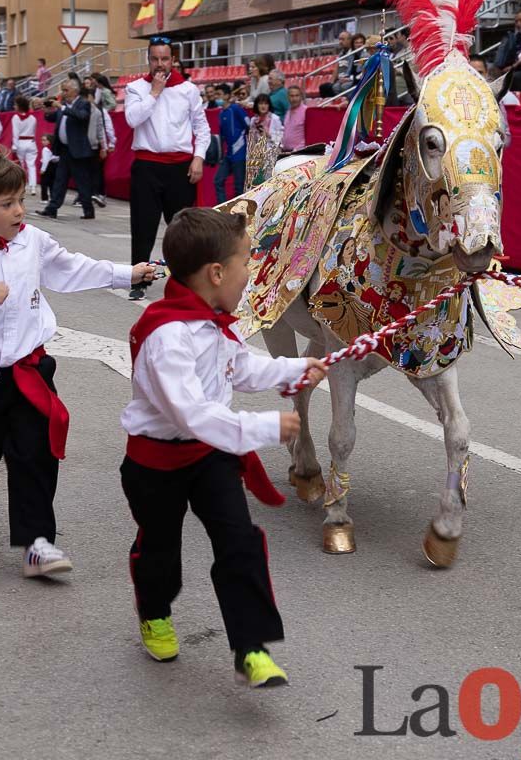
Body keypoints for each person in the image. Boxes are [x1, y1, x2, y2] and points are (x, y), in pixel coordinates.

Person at [119, 207, 326, 684]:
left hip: (209, 457)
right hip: (156, 462)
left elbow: (244, 369)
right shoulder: (167, 337)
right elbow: (192, 414)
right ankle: (154, 611)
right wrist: (265, 428)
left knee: (239, 542)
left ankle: (250, 647)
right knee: (160, 551)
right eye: (246, 263)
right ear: (216, 273)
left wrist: (296, 370)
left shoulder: (215, 323)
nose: (250, 273)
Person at [0, 146, 154, 577]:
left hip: (31, 368)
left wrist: (128, 273)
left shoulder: (32, 240)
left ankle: (37, 544)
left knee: (35, 453)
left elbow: (72, 268)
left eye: (20, 200)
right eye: (7, 203)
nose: (19, 211)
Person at [124, 36, 211, 300]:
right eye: (154, 59)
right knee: (142, 227)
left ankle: (185, 281)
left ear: (173, 60)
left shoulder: (188, 90)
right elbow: (132, 119)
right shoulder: (136, 88)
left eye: (164, 59)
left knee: (182, 229)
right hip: (147, 165)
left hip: (179, 167)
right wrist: (154, 93)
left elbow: (202, 128)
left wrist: (199, 157)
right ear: (148, 60)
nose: (160, 64)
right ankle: (139, 280)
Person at [37, 80, 96, 220]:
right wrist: (46, 111)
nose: (63, 93)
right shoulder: (63, 107)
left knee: (82, 181)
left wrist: (62, 107)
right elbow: (53, 118)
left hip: (77, 149)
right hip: (63, 149)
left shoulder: (83, 103)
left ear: (75, 91)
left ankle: (88, 209)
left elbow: (82, 116)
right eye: (63, 90)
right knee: (60, 180)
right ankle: (52, 208)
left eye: (66, 90)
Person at [215, 90, 250, 204]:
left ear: (226, 95)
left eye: (219, 94)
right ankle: (223, 210)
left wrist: (242, 143)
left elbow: (248, 123)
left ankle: (240, 214)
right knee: (218, 181)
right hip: (228, 154)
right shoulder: (221, 113)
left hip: (239, 153)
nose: (217, 98)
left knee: (239, 187)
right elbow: (222, 135)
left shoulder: (235, 109)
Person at [246, 93, 283, 187]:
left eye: (266, 103)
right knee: (256, 185)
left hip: (271, 156)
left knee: (270, 183)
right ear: (256, 105)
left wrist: (268, 135)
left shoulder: (275, 119)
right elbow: (251, 140)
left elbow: (281, 139)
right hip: (256, 157)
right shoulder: (253, 120)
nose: (263, 106)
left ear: (269, 105)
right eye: (261, 103)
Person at [10, 96, 38, 196]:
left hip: (20, 142)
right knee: (31, 165)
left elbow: (15, 133)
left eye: (15, 104)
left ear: (19, 106)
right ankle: (33, 187)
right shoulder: (32, 117)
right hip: (31, 142)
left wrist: (14, 146)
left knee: (20, 165)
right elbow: (34, 131)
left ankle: (22, 186)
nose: (14, 106)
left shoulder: (16, 117)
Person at [279, 84, 307, 152]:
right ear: (288, 97)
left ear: (301, 96)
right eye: (291, 96)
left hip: (299, 152)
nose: (294, 99)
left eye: (297, 95)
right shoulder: (288, 111)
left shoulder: (306, 111)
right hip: (286, 151)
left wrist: (296, 150)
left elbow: (308, 135)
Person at [39, 134, 57, 203]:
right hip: (54, 166)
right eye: (42, 140)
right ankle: (53, 197)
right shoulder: (54, 148)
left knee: (44, 184)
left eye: (44, 140)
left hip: (47, 167)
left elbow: (45, 161)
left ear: (49, 141)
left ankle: (44, 198)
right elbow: (57, 158)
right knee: (52, 183)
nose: (42, 142)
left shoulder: (46, 149)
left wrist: (42, 170)